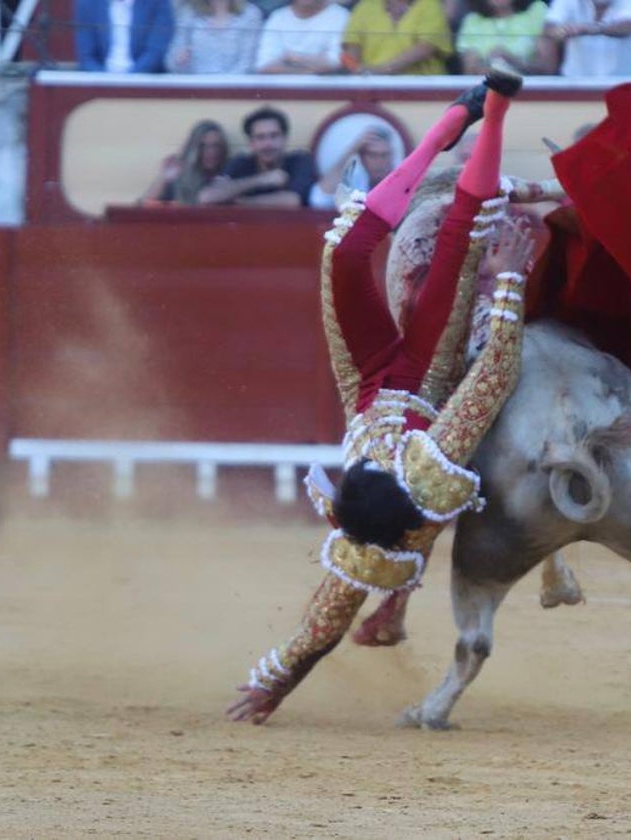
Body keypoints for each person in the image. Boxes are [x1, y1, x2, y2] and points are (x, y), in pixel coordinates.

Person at [227, 69, 529, 725]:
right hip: (426, 373)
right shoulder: (431, 468)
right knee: (460, 242)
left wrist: (274, 685)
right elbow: (493, 376)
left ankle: (449, 127)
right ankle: (494, 113)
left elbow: (316, 632)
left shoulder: (370, 528)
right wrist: (508, 285)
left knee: (344, 248)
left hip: (362, 379)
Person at [198, 106, 317, 207]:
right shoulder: (241, 162)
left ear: (284, 139)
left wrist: (241, 201)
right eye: (260, 137)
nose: (268, 144)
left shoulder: (299, 160)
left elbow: (293, 200)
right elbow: (207, 197)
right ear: (251, 143)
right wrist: (261, 180)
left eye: (274, 136)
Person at [341, 0, 453, 74]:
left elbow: (424, 48)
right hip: (371, 86)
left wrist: (380, 71)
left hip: (420, 87)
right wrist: (357, 71)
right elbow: (351, 49)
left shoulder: (430, 5)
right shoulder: (366, 7)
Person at [538, 0, 631, 77]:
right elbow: (549, 27)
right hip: (577, 83)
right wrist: (563, 31)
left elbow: (627, 27)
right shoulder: (567, 2)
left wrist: (588, 29)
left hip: (626, 82)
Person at [138, 120, 230, 205]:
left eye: (216, 145)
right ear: (194, 149)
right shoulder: (181, 178)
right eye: (203, 146)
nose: (211, 152)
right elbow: (143, 206)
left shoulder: (230, 172)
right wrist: (163, 179)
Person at [309, 126, 398, 209]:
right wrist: (352, 150)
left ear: (392, 156)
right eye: (373, 155)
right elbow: (318, 200)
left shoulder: (402, 180)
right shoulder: (354, 180)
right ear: (362, 158)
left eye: (384, 155)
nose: (379, 161)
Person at [74, 0, 175, 73]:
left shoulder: (157, 2)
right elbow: (86, 56)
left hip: (146, 82)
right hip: (99, 83)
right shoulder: (87, 3)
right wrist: (105, 80)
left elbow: (155, 51)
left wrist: (128, 80)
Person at [254, 0, 351, 74]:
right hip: (281, 93)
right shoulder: (277, 17)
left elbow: (336, 62)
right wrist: (311, 66)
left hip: (325, 93)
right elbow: (264, 65)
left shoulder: (340, 16)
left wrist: (293, 58)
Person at [165, 0, 262, 74]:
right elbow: (171, 63)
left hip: (234, 92)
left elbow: (246, 65)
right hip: (195, 90)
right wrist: (179, 61)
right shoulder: (189, 13)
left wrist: (221, 88)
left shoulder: (250, 15)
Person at [455, 0, 548, 74]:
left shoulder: (536, 12)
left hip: (530, 91)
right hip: (486, 91)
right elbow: (469, 70)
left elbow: (548, 66)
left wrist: (514, 61)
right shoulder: (472, 21)